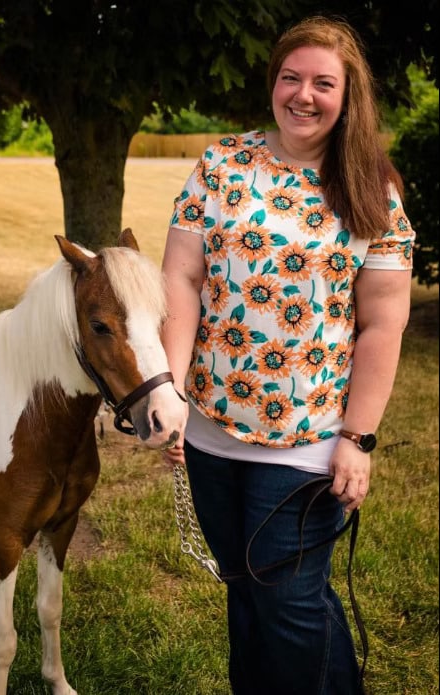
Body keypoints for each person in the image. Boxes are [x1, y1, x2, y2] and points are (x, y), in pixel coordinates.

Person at [160, 15, 415, 695]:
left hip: (307, 438)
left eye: (321, 83)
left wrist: (357, 437)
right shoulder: (221, 164)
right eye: (290, 77)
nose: (302, 95)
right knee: (244, 591)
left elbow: (383, 325)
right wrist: (170, 390)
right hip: (211, 428)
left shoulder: (370, 190)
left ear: (347, 95)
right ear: (273, 82)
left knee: (290, 602)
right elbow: (181, 278)